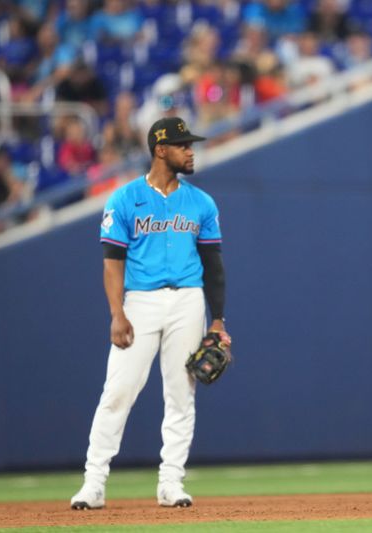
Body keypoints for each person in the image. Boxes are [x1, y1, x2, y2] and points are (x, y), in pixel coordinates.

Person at [70, 116, 231, 510]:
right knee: (118, 391)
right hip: (139, 302)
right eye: (183, 145)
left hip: (188, 300)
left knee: (181, 393)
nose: (191, 151)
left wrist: (217, 319)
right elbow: (112, 262)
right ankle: (94, 482)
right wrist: (116, 313)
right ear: (161, 150)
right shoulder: (124, 199)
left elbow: (214, 265)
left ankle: (171, 482)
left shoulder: (202, 203)